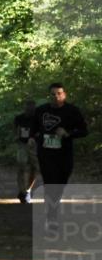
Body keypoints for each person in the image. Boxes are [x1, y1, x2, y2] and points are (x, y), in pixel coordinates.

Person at [29, 83, 88, 224]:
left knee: (60, 184)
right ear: (49, 96)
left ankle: (52, 210)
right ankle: (51, 217)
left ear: (64, 95)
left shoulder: (72, 111)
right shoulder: (41, 110)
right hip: (46, 153)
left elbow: (84, 131)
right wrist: (31, 138)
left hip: (64, 154)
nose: (56, 96)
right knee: (50, 183)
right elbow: (33, 128)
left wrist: (68, 133)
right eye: (53, 94)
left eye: (59, 93)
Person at [13, 100, 39, 203]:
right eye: (28, 108)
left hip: (34, 145)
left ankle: (28, 190)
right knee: (21, 165)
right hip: (22, 144)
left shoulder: (37, 118)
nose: (29, 110)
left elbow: (41, 130)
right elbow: (15, 130)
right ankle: (21, 190)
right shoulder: (19, 118)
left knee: (34, 168)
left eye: (32, 108)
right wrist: (16, 136)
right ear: (24, 108)